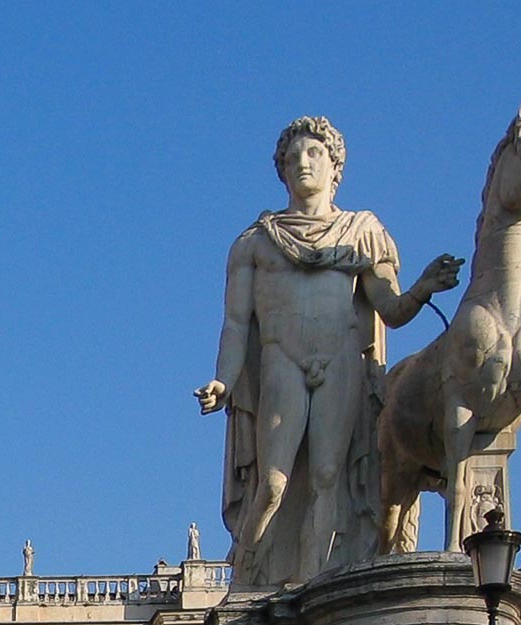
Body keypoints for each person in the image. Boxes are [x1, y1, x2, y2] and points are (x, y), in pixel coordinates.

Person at [195, 116, 462, 587]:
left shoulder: (362, 232)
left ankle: (312, 586)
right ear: (280, 170)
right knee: (273, 483)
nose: (302, 162)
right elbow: (236, 325)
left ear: (335, 166)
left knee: (326, 476)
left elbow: (391, 310)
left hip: (340, 359)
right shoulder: (255, 243)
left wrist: (423, 286)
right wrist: (224, 379)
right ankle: (248, 577)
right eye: (293, 157)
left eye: (313, 154)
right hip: (281, 361)